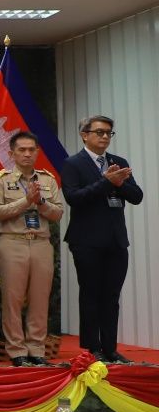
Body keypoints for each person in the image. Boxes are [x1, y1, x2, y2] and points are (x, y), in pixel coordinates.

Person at [61, 115, 144, 364]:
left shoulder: (118, 162)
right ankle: (92, 348)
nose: (105, 137)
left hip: (116, 240)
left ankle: (110, 348)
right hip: (86, 240)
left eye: (109, 132)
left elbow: (137, 196)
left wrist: (118, 183)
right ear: (84, 135)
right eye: (100, 132)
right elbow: (74, 198)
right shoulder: (73, 164)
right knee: (91, 294)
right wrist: (106, 182)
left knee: (111, 296)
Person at [0, 131, 64, 367]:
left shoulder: (48, 179)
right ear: (11, 153)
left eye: (32, 150)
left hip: (41, 242)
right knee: (12, 298)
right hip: (12, 241)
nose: (27, 154)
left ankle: (36, 349)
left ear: (37, 152)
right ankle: (17, 351)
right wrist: (26, 201)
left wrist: (40, 201)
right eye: (22, 150)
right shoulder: (1, 179)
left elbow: (57, 213)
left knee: (40, 298)